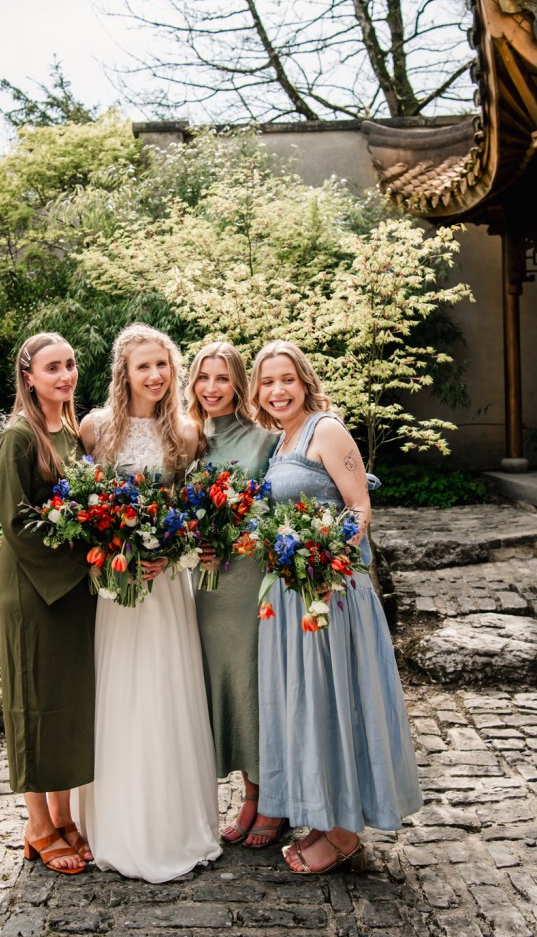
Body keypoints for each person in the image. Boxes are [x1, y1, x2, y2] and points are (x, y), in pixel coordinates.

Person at [248, 340, 422, 872]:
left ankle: (345, 834)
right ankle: (325, 818)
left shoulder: (326, 429)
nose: (278, 391)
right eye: (267, 382)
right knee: (312, 706)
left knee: (339, 702)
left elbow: (359, 506)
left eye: (287, 380)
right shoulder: (281, 442)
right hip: (292, 595)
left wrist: (328, 568)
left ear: (304, 382)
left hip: (332, 594)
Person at [75, 323, 222, 883]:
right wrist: (112, 544)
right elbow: (84, 504)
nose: (156, 376)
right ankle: (114, 823)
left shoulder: (186, 433)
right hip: (116, 589)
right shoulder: (96, 428)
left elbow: (190, 511)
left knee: (166, 690)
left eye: (163, 365)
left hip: (164, 586)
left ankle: (173, 823)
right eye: (144, 367)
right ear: (124, 373)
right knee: (121, 692)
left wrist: (174, 546)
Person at [0, 332, 96, 875]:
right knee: (34, 703)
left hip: (74, 588)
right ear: (29, 376)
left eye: (71, 365)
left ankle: (64, 816)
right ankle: (37, 826)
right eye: (52, 368)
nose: (65, 375)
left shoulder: (74, 434)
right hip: (36, 589)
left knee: (69, 702)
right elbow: (17, 522)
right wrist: (88, 551)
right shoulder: (19, 436)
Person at [186, 341, 278, 848]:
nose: (212, 387)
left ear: (239, 384)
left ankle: (264, 800)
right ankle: (247, 791)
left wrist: (239, 535)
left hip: (247, 578)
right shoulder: (188, 438)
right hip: (202, 583)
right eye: (204, 377)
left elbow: (276, 500)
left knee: (251, 680)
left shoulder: (263, 439)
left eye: (222, 378)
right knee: (220, 681)